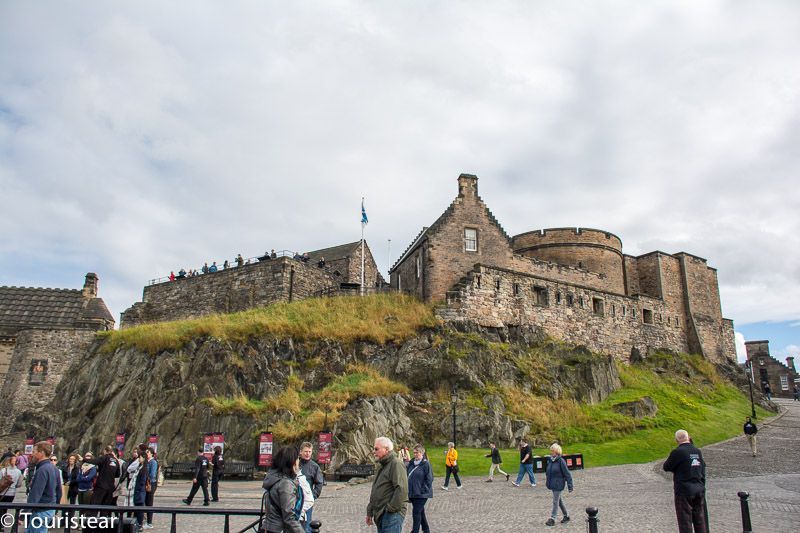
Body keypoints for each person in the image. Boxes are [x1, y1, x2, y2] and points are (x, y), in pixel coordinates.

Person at [663, 429, 707, 533]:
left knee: (685, 521)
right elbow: (702, 468)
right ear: (689, 437)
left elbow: (666, 466)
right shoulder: (697, 451)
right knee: (700, 519)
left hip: (684, 490)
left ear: (676, 440)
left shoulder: (678, 452)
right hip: (698, 488)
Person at [366, 437, 407, 533]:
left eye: (376, 449)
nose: (373, 452)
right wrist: (370, 511)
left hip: (392, 515)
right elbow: (376, 490)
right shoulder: (382, 465)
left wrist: (390, 509)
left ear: (386, 449)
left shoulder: (396, 464)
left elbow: (401, 489)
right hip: (381, 514)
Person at [261, 446, 304, 533]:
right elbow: (289, 516)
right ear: (292, 462)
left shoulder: (274, 477)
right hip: (280, 529)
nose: (298, 462)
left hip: (270, 527)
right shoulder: (286, 483)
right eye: (297, 459)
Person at [22, 441, 62, 533]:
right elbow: (59, 491)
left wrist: (24, 513)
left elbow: (35, 494)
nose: (32, 454)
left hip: (41, 510)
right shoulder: (54, 469)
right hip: (49, 508)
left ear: (41, 453)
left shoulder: (43, 470)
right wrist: (55, 507)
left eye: (34, 451)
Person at [544, 443, 573, 526]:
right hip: (553, 484)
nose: (551, 452)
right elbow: (548, 472)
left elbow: (567, 474)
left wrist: (570, 485)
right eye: (551, 451)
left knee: (555, 501)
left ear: (557, 451)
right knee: (559, 501)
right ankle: (566, 515)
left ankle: (552, 518)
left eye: (552, 451)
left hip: (558, 484)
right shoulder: (551, 460)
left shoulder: (561, 461)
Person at [406, 444, 432, 533]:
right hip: (412, 493)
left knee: (416, 512)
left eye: (417, 453)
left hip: (422, 494)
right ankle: (426, 529)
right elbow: (407, 475)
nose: (415, 454)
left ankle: (415, 531)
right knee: (420, 511)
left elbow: (429, 479)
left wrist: (422, 490)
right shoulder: (411, 463)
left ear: (422, 453)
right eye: (414, 453)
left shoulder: (426, 464)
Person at [298, 442, 323, 533]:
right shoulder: (295, 463)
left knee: (307, 526)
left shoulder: (314, 466)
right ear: (300, 452)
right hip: (293, 499)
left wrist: (312, 496)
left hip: (306, 501)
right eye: (305, 451)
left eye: (309, 451)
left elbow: (319, 483)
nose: (307, 453)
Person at [1, 455, 24, 528]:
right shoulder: (19, 472)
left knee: (1, 508)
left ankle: (0, 525)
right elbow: (19, 484)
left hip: (2, 493)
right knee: (5, 509)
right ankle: (3, 524)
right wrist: (13, 486)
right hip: (11, 493)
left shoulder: (3, 470)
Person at [142, 448, 158, 529]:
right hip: (145, 483)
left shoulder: (153, 462)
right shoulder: (146, 462)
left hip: (151, 484)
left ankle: (149, 522)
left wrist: (146, 479)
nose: (146, 454)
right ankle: (144, 520)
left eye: (147, 452)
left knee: (149, 503)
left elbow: (152, 474)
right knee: (144, 502)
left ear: (151, 453)